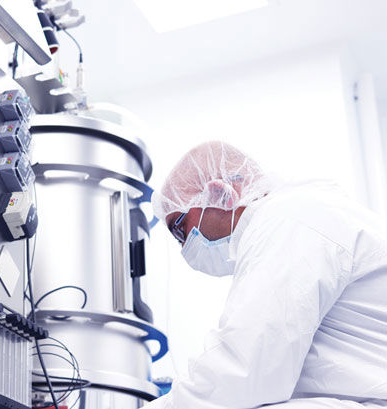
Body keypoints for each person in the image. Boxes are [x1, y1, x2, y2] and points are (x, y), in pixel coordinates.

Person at [142, 141, 387, 409]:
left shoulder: (288, 220)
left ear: (221, 194)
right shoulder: (301, 214)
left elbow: (244, 372)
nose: (184, 247)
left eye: (180, 229)